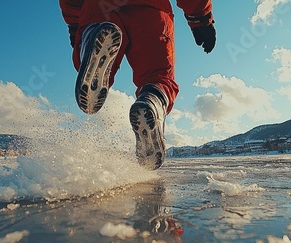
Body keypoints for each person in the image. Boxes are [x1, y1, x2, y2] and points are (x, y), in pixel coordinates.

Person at [59, 0, 216, 169]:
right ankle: (152, 102)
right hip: (151, 10)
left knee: (98, 33)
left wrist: (76, 26)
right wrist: (199, 16)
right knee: (157, 75)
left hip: (100, 8)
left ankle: (90, 39)